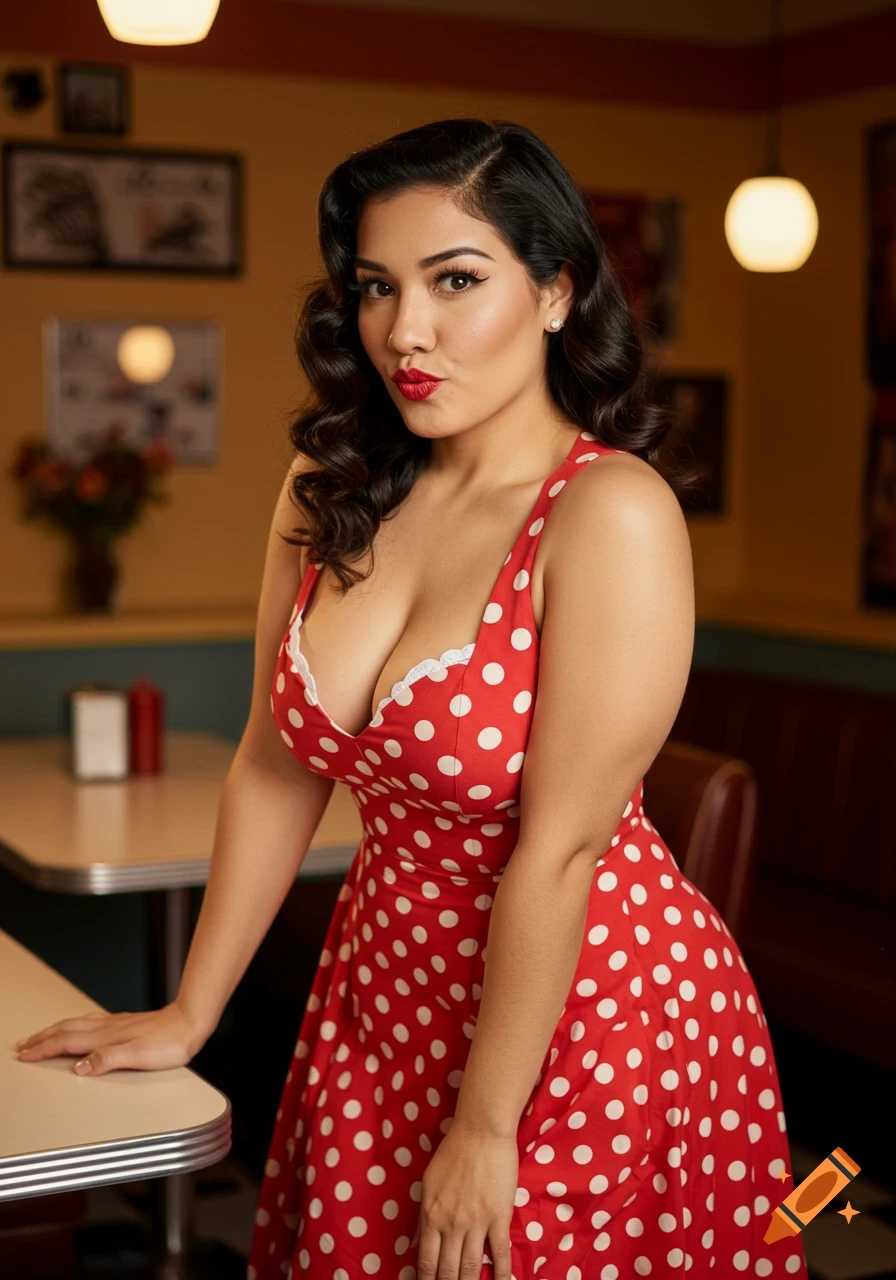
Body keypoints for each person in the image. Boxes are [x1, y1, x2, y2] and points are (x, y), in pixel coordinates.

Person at [15, 118, 807, 1280]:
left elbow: (560, 848)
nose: (404, 331)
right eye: (377, 286)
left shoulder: (608, 512)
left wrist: (486, 1124)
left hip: (580, 1014)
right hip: (381, 986)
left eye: (455, 279)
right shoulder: (331, 484)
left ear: (554, 292)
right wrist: (192, 1010)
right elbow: (273, 763)